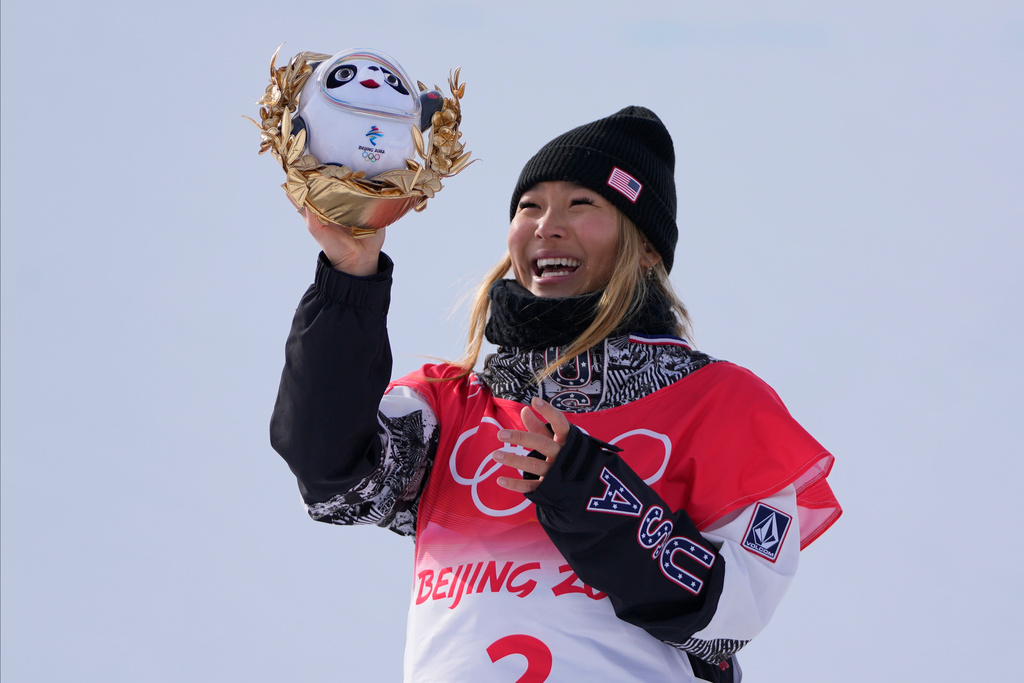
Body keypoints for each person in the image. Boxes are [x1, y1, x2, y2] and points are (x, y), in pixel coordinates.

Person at [270, 106, 841, 683]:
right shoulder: (452, 402)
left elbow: (728, 619)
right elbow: (335, 481)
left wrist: (590, 490)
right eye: (530, 206)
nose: (547, 224)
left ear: (646, 248)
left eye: (582, 204)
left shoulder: (719, 402)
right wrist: (349, 279)